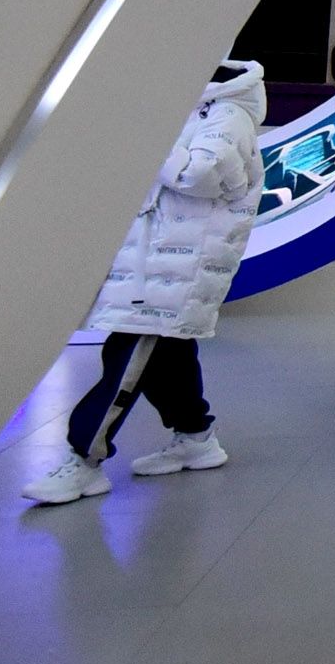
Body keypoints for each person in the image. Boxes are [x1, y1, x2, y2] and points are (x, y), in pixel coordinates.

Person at [24, 61, 265, 505]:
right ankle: (195, 438)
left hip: (176, 270)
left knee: (127, 359)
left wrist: (145, 142)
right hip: (155, 266)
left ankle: (84, 460)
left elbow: (201, 175)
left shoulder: (228, 115)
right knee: (165, 357)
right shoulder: (186, 111)